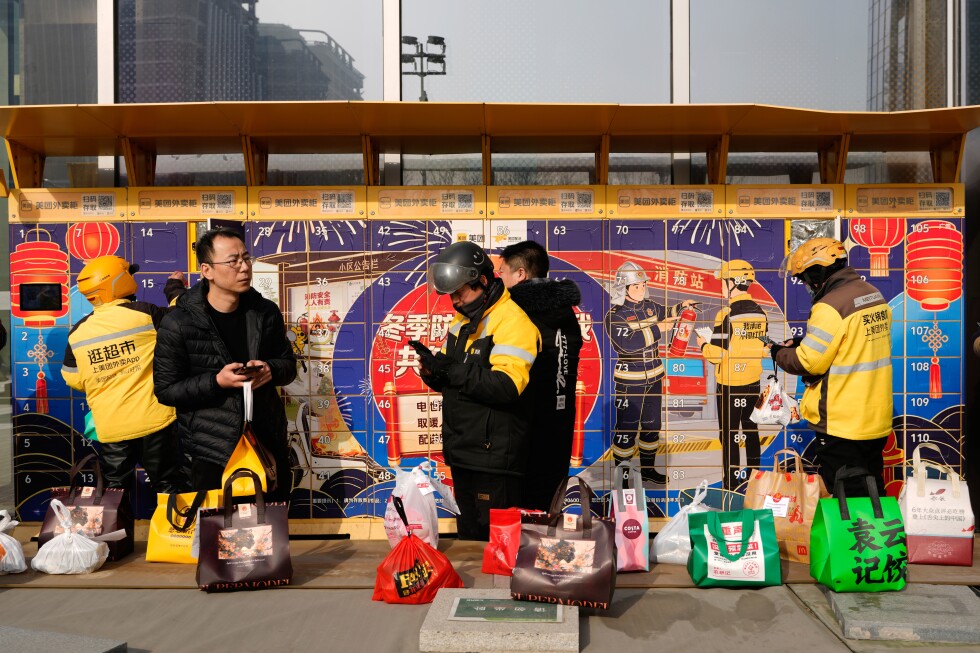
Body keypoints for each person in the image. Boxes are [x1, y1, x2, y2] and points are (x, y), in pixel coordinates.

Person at [153, 227, 297, 502]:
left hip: (265, 440)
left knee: (270, 524)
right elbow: (166, 390)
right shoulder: (178, 323)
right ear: (207, 270)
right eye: (233, 261)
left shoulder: (264, 312)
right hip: (210, 450)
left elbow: (288, 365)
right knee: (217, 527)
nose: (244, 267)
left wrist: (271, 370)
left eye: (246, 258)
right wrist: (216, 382)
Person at [413, 241, 541, 540]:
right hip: (463, 451)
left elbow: (506, 387)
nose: (455, 301)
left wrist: (451, 371)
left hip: (494, 458)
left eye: (460, 292)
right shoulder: (462, 321)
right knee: (470, 542)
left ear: (482, 281)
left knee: (495, 545)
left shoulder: (513, 322)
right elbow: (456, 379)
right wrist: (434, 372)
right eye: (450, 295)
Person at [769, 238, 892, 497]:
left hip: (843, 421)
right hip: (875, 417)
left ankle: (852, 528)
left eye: (805, 278)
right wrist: (802, 342)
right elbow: (851, 343)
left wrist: (779, 353)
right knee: (872, 491)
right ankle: (878, 526)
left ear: (817, 274)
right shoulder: (872, 294)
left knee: (847, 496)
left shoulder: (830, 306)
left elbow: (808, 362)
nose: (806, 285)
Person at [61, 255, 189, 495]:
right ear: (118, 280)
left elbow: (73, 378)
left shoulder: (77, 333)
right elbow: (183, 318)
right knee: (168, 484)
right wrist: (175, 288)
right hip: (155, 420)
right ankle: (174, 521)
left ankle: (117, 521)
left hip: (111, 426)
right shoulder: (145, 313)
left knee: (114, 490)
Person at [498, 240, 583, 511]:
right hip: (560, 420)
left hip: (523, 424)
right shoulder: (566, 312)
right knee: (548, 506)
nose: (499, 277)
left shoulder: (516, 312)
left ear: (520, 274)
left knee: (518, 509)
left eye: (503, 271)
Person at [605, 260, 698, 487]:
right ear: (624, 288)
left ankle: (648, 470)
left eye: (643, 285)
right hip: (630, 381)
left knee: (652, 426)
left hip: (655, 377)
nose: (641, 289)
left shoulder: (649, 306)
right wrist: (659, 328)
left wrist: (682, 306)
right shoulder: (615, 316)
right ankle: (622, 478)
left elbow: (666, 312)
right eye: (636, 286)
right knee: (626, 430)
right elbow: (628, 343)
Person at [695, 260, 768, 490]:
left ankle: (731, 486)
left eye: (723, 282)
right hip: (753, 382)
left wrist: (702, 344)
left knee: (729, 437)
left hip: (729, 385)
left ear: (733, 283)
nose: (721, 287)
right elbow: (763, 348)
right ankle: (754, 482)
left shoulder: (726, 314)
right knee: (751, 431)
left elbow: (716, 355)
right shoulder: (761, 313)